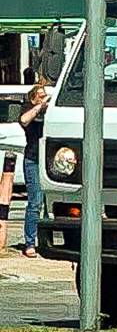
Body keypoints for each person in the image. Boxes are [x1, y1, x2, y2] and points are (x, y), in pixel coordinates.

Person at [19, 81, 49, 258]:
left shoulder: (50, 114)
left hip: (50, 161)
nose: (44, 98)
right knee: (35, 201)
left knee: (48, 203)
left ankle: (45, 239)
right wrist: (39, 107)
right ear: (33, 98)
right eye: (41, 95)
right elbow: (23, 120)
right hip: (33, 159)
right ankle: (30, 242)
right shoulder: (28, 109)